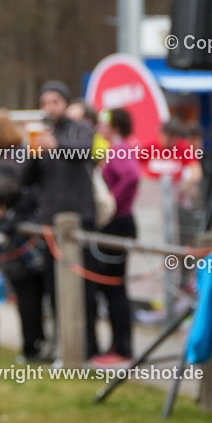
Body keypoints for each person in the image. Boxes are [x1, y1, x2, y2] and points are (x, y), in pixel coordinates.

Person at [22, 80, 97, 360]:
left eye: (54, 101)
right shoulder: (40, 135)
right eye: (44, 103)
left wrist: (56, 145)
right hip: (50, 221)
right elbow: (25, 181)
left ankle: (87, 347)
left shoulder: (80, 128)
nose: (49, 107)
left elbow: (86, 151)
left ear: (65, 103)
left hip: (79, 220)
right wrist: (32, 152)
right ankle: (61, 347)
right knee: (54, 287)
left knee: (83, 287)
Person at [88, 108, 140, 367]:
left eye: (104, 124)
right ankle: (120, 345)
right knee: (112, 287)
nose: (99, 128)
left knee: (113, 287)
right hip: (118, 222)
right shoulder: (118, 148)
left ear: (115, 125)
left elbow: (132, 176)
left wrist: (111, 201)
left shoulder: (120, 149)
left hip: (118, 223)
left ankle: (122, 347)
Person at [0, 179, 47, 362]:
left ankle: (32, 348)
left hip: (26, 270)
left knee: (30, 309)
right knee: (31, 308)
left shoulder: (15, 220)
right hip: (23, 271)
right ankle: (34, 346)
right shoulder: (8, 221)